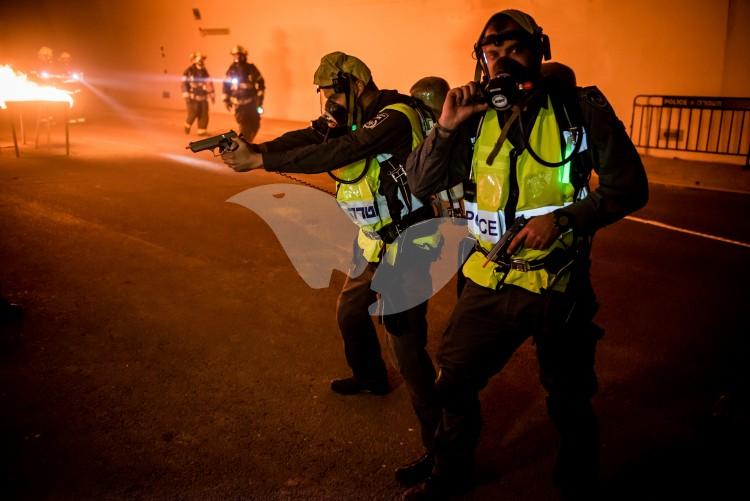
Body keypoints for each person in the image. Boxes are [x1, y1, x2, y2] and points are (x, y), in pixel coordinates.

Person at [403, 9, 648, 500]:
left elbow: (629, 188)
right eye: (492, 53)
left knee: (569, 391)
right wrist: (447, 127)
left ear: (539, 51)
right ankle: (450, 470)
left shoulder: (580, 108)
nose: (502, 62)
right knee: (452, 381)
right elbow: (420, 184)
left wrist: (562, 220)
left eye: (514, 50)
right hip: (489, 278)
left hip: (558, 283)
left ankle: (578, 474)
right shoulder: (471, 117)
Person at [220, 51, 442, 484]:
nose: (328, 105)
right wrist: (257, 149)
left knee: (408, 349)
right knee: (350, 312)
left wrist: (261, 163)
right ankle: (371, 378)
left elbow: (346, 149)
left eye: (333, 94)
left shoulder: (392, 117)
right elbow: (308, 136)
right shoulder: (353, 116)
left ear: (357, 87)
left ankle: (442, 449)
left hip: (410, 242)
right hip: (374, 240)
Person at [222, 45, 265, 141]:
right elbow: (226, 85)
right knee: (244, 125)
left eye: (239, 55)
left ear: (244, 55)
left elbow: (261, 83)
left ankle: (248, 141)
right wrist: (226, 100)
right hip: (239, 104)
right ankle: (245, 145)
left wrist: (260, 99)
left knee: (255, 124)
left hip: (252, 102)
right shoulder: (231, 70)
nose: (237, 57)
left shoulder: (251, 68)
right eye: (235, 55)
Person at [182, 52, 215, 135]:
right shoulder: (189, 71)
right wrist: (186, 93)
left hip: (203, 96)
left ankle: (202, 130)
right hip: (193, 97)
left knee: (204, 113)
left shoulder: (204, 72)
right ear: (194, 60)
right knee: (193, 112)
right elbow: (184, 83)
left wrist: (212, 94)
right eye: (199, 60)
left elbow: (209, 83)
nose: (201, 61)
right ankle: (187, 125)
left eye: (202, 60)